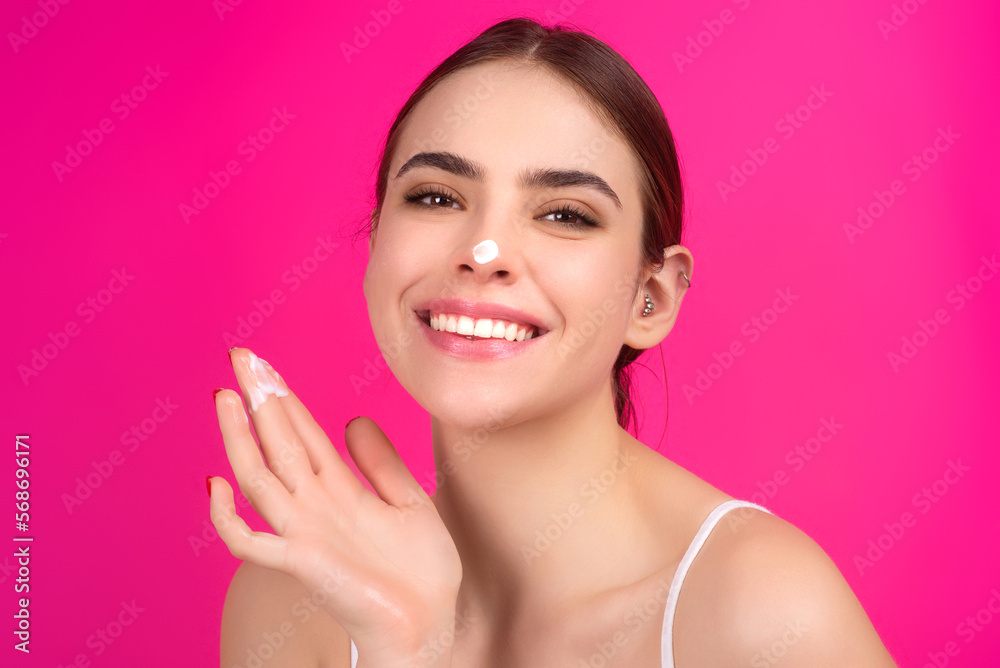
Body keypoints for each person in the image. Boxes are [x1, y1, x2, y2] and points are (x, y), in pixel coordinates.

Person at [207, 17, 899, 667]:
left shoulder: (765, 613)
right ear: (376, 244)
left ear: (650, 298)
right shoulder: (292, 607)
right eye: (437, 196)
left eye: (565, 213)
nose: (485, 251)